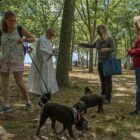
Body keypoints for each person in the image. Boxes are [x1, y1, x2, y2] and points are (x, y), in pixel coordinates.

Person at [0, 11, 35, 113]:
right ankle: (6, 105)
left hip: (17, 59)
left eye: (15, 20)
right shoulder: (1, 32)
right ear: (5, 20)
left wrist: (24, 40)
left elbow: (32, 38)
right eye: (11, 21)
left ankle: (28, 102)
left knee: (19, 82)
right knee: (4, 84)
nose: (13, 22)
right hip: (4, 60)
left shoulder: (20, 29)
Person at [79, 24, 115, 104]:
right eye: (97, 31)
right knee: (102, 80)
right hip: (100, 63)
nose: (97, 33)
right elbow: (91, 45)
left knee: (108, 80)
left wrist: (107, 49)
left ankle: (108, 98)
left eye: (99, 31)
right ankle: (102, 96)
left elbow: (113, 49)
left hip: (108, 62)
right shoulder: (98, 41)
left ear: (103, 31)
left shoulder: (109, 39)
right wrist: (82, 44)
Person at [28, 28, 58, 96]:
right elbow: (42, 50)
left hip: (47, 60)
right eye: (51, 35)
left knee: (46, 75)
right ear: (48, 33)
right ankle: (41, 90)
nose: (51, 37)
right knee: (41, 75)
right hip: (42, 61)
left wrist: (53, 51)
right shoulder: (42, 39)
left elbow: (47, 49)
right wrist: (51, 53)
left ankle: (46, 89)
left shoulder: (47, 40)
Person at [128, 16, 140, 115]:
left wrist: (131, 51)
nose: (135, 26)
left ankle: (138, 110)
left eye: (136, 23)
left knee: (139, 87)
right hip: (137, 65)